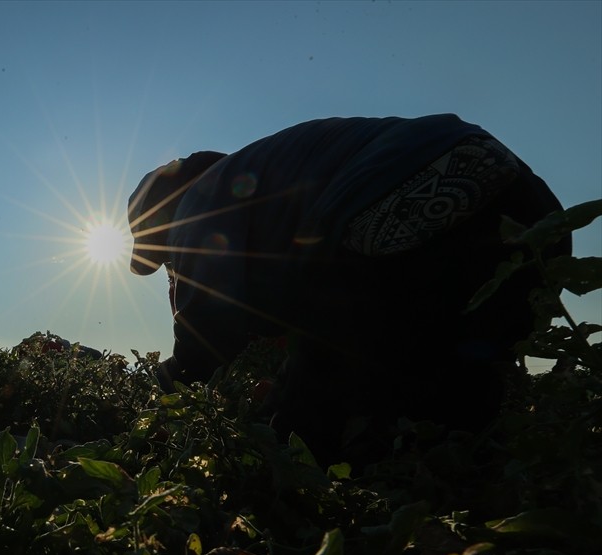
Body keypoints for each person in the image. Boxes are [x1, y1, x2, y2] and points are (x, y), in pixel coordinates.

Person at [127, 114, 571, 461]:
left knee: (305, 419)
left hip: (404, 194)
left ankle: (309, 510)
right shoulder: (270, 170)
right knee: (455, 385)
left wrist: (167, 386)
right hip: (528, 207)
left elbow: (208, 316)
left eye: (164, 255)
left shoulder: (198, 199)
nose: (172, 266)